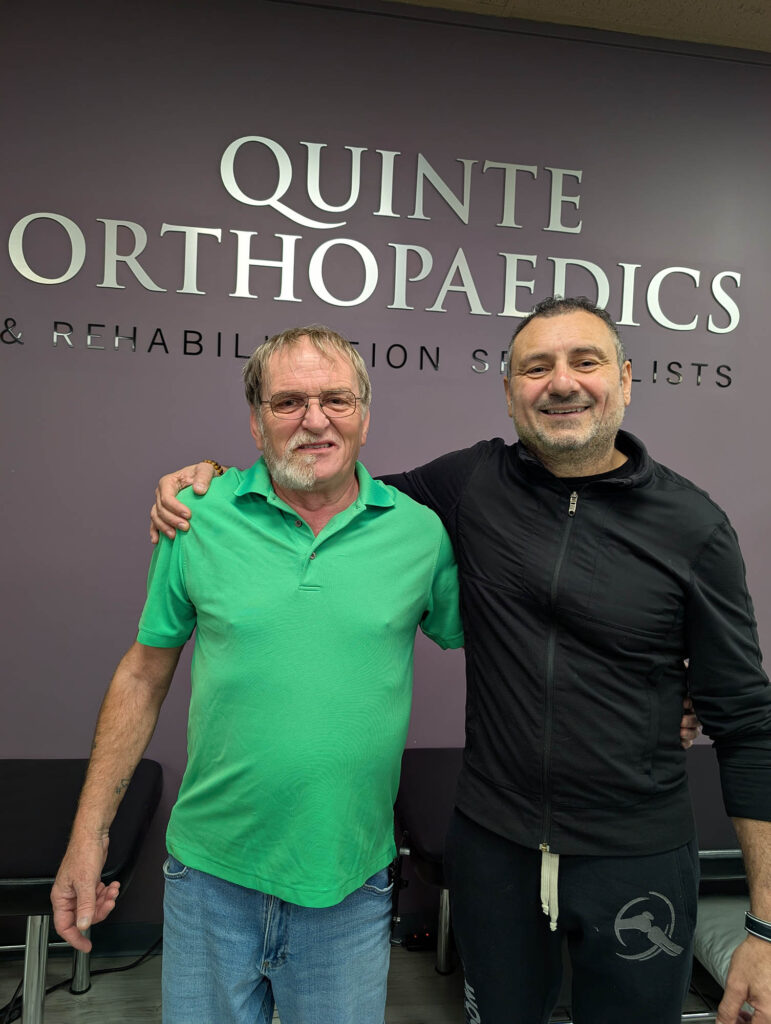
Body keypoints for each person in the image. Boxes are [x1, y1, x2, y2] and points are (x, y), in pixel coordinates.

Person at [152, 297, 771, 1024]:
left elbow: (748, 726)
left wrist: (764, 928)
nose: (561, 382)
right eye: (535, 367)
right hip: (494, 847)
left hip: (637, 855)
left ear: (625, 379)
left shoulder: (693, 526)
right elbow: (330, 487)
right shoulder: (470, 483)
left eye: (585, 361)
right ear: (508, 390)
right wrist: (217, 481)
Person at [52, 327, 463, 1024]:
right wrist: (89, 836)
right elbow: (143, 675)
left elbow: (497, 642)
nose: (314, 420)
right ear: (255, 420)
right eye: (288, 402)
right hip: (210, 881)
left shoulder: (420, 534)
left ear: (364, 416)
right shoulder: (195, 516)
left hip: (347, 885)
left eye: (336, 400)